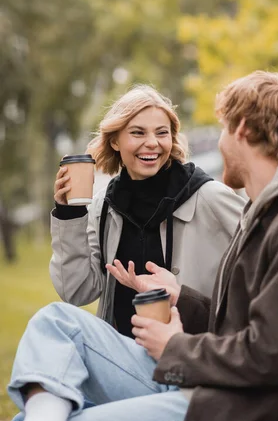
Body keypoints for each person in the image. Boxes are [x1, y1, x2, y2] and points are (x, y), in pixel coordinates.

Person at [2, 71, 278, 421]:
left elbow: (268, 356)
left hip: (251, 412)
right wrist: (180, 296)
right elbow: (249, 329)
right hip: (214, 387)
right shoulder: (276, 211)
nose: (219, 143)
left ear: (241, 130)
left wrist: (175, 346)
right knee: (56, 326)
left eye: (223, 129)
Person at [50, 84, 245, 335]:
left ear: (172, 139)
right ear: (115, 141)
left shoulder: (210, 197)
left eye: (162, 133)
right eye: (138, 133)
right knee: (54, 320)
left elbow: (263, 260)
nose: (152, 143)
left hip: (189, 357)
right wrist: (70, 214)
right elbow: (77, 291)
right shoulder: (104, 207)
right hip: (122, 355)